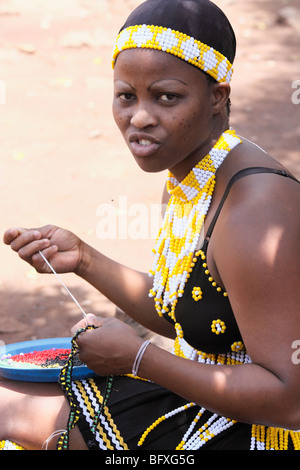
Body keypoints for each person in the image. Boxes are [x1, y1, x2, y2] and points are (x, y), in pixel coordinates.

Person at [1, 0, 300, 451]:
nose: (139, 117)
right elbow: (184, 312)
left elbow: (289, 402)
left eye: (166, 97)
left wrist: (141, 359)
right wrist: (85, 260)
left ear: (217, 96)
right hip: (212, 401)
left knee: (8, 409)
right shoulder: (192, 174)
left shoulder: (253, 210)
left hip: (262, 434)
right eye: (127, 96)